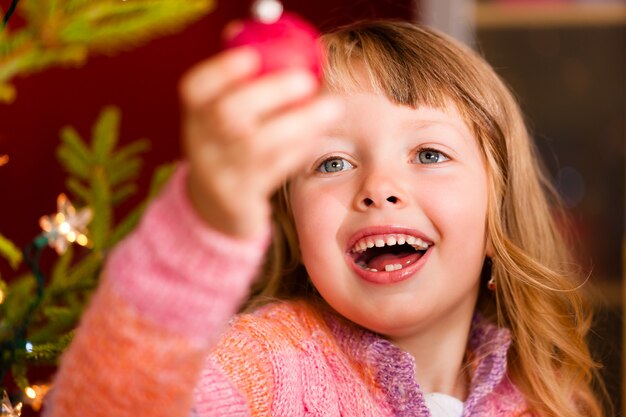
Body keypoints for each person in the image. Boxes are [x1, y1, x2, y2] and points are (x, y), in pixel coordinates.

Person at [43, 20, 604, 417]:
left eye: (429, 154)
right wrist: (202, 230)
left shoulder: (548, 401)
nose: (378, 189)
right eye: (332, 162)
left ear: (498, 205)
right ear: (291, 222)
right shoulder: (260, 370)